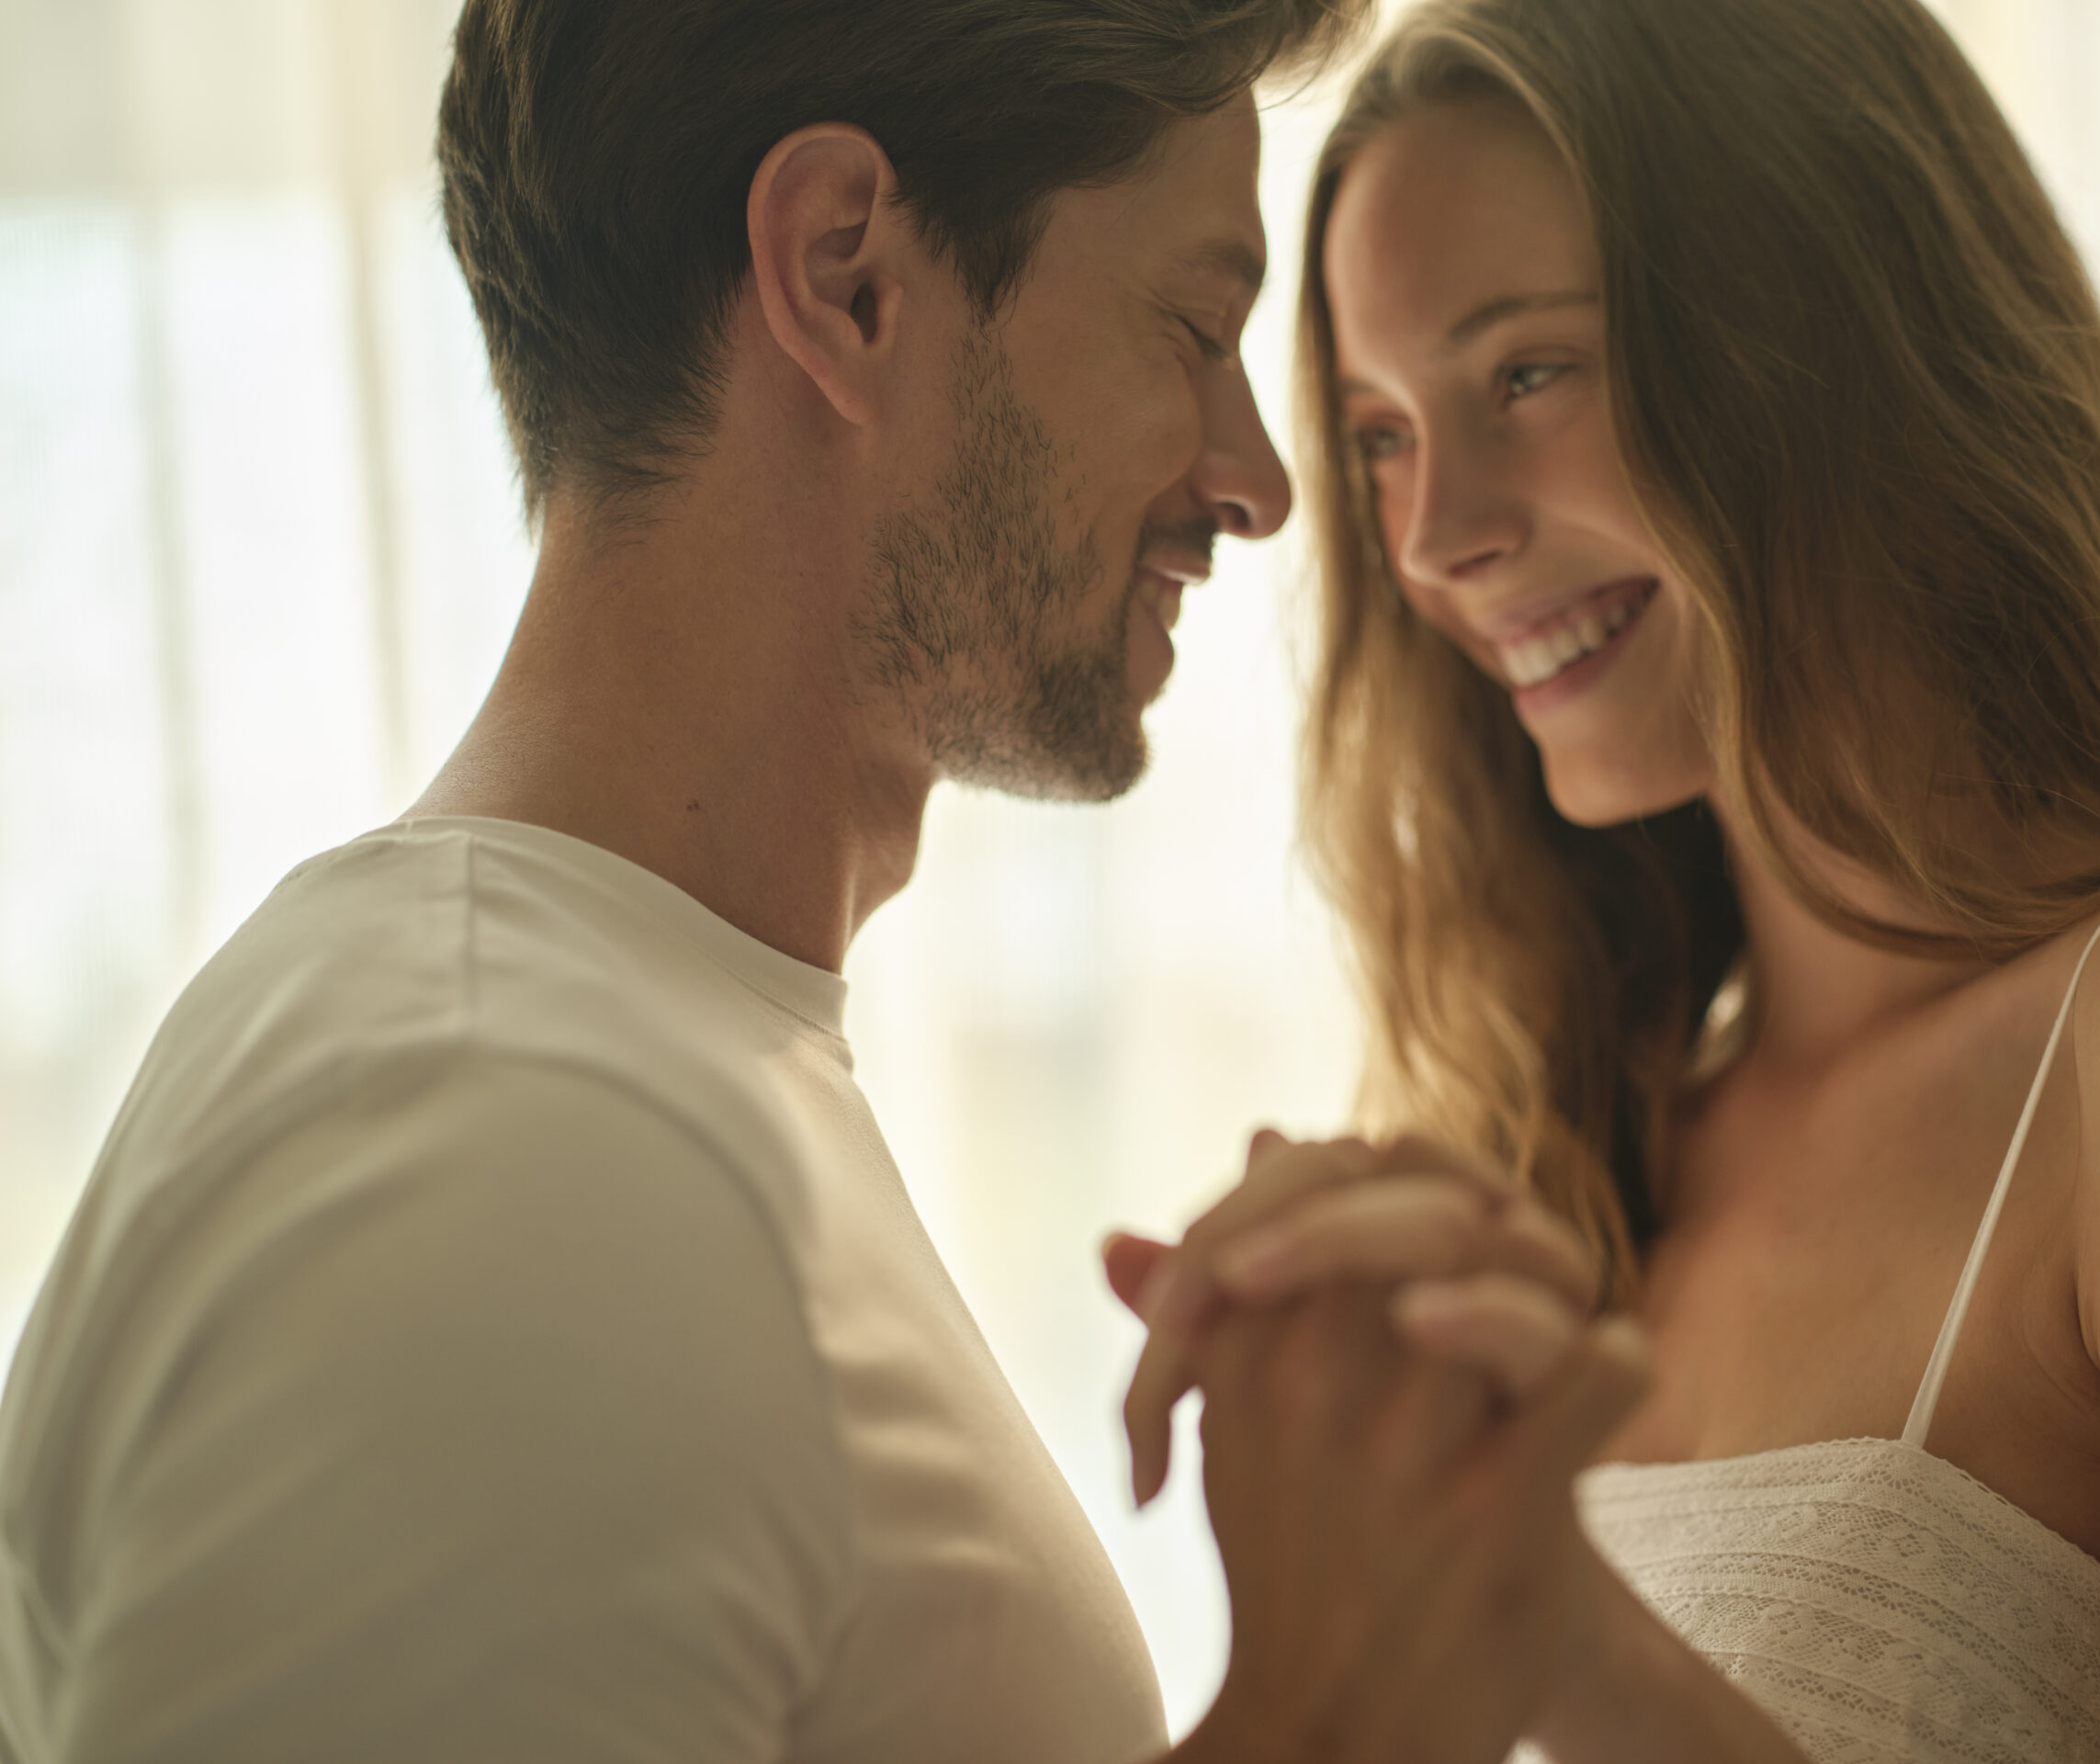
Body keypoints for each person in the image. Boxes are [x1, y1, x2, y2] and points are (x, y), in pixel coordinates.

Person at [0, 2, 1654, 1759]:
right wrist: (1339, 1714)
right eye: (1192, 325)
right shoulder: (500, 1128)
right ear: (846, 273)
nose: (1252, 487)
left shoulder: (610, 1065)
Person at [1119, 0, 2100, 1758]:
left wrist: (1566, 1644)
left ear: (1843, 336)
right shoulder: (1561, 1152)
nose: (1435, 536)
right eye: (1382, 431)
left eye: (1527, 375)